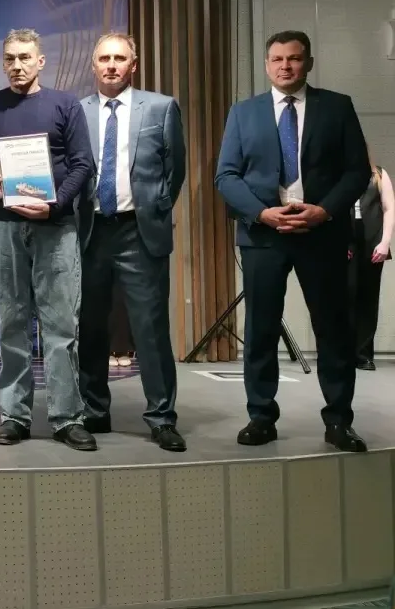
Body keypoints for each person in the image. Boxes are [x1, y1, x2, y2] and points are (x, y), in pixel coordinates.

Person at [215, 29, 369, 452]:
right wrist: (261, 213)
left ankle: (339, 421)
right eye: (278, 59)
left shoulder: (337, 107)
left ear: (309, 63)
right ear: (266, 65)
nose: (286, 66)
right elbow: (226, 175)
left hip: (322, 234)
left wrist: (325, 210)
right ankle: (261, 417)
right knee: (261, 330)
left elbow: (357, 170)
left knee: (333, 330)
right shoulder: (243, 113)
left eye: (295, 58)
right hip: (263, 235)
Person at [0, 28, 96, 451]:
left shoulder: (65, 105)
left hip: (56, 226)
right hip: (3, 226)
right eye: (10, 58)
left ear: (40, 61)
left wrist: (55, 206)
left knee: (61, 325)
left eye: (24, 57)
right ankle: (14, 415)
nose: (17, 65)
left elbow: (83, 164)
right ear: (3, 63)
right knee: (11, 323)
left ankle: (67, 417)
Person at [75, 32, 187, 452]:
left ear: (133, 65)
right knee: (90, 327)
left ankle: (161, 417)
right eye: (104, 58)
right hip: (90, 232)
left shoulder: (161, 107)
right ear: (93, 65)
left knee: (151, 328)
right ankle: (94, 410)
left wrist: (155, 208)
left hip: (139, 231)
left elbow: (175, 170)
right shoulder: (77, 111)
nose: (111, 65)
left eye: (119, 58)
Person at [348, 149, 393, 371]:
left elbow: (389, 208)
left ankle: (363, 354)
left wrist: (385, 242)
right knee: (345, 296)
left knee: (368, 298)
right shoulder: (338, 175)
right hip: (346, 242)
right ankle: (343, 352)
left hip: (373, 242)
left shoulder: (379, 175)